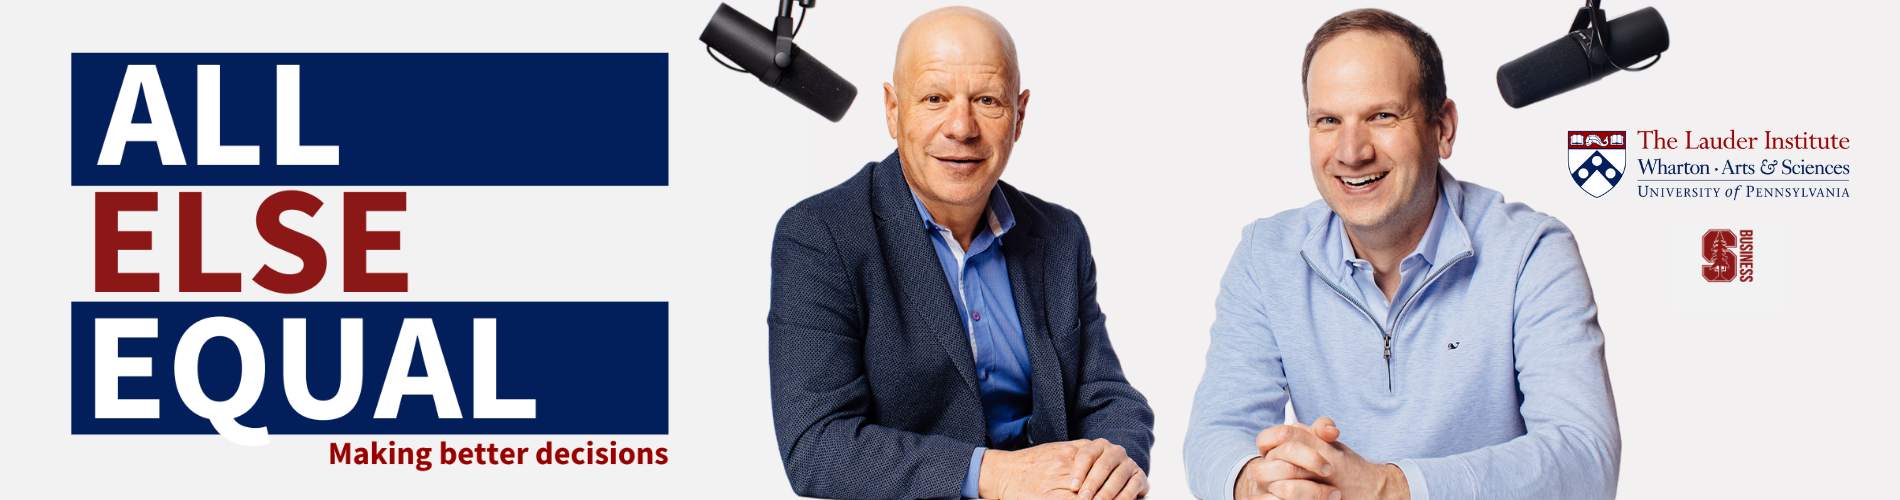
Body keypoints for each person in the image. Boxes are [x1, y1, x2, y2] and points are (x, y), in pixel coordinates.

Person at [1183, 9, 1620, 500]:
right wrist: (1254, 482)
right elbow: (1217, 431)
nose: (1351, 152)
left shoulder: (1532, 253)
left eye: (1382, 116)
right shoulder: (1265, 255)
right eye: (1328, 121)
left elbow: (1586, 458)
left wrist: (1386, 488)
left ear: (1443, 129)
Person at [769, 7, 1153, 500]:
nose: (962, 127)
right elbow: (818, 447)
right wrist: (996, 475)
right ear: (892, 110)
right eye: (934, 98)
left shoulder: (1060, 234)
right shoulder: (820, 235)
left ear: (1019, 115)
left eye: (987, 100)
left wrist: (1113, 464)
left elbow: (1107, 397)